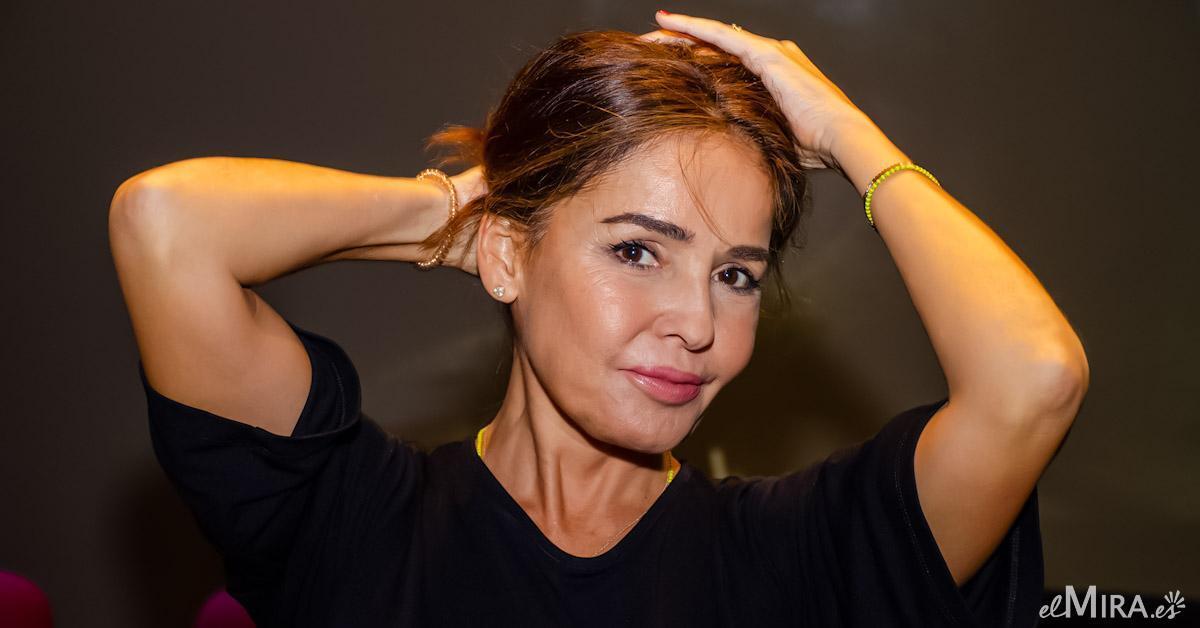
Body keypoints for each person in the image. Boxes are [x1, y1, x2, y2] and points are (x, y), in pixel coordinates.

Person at [109, 11, 1088, 628]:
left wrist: (846, 133)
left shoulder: (796, 559)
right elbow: (166, 225)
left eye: (736, 276)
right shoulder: (354, 522)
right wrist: (448, 214)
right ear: (507, 256)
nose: (697, 323)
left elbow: (1034, 378)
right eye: (637, 251)